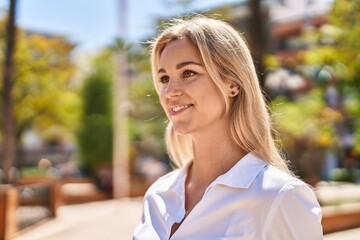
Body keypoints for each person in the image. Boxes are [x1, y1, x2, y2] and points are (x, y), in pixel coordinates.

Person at [133, 16, 323, 240]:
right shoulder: (157, 195)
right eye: (164, 78)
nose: (169, 91)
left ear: (232, 84)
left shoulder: (280, 197)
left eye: (188, 73)